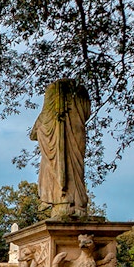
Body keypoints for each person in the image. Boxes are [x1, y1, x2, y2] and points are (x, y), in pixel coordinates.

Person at [30, 79, 91, 219]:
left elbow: (33, 133)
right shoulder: (81, 93)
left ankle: (65, 202)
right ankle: (76, 203)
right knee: (75, 169)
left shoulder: (48, 114)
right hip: (77, 135)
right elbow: (87, 112)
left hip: (72, 139)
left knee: (58, 167)